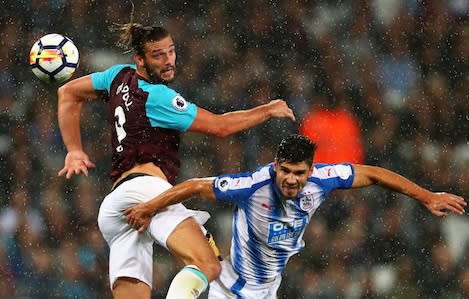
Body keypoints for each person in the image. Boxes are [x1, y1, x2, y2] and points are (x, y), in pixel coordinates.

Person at [56, 10, 295, 299]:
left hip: (116, 206)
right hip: (146, 193)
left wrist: (74, 150)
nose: (168, 60)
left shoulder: (116, 76)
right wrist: (266, 110)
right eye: (158, 55)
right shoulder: (159, 97)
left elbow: (68, 92)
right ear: (140, 60)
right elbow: (220, 126)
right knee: (207, 263)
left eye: (171, 52)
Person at [123, 134, 467, 298]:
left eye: (299, 173)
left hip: (268, 291)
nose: (291, 179)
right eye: (284, 170)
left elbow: (373, 174)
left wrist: (426, 196)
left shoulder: (323, 180)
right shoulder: (252, 186)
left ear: (310, 170)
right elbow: (197, 186)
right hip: (230, 290)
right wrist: (150, 207)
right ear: (275, 166)